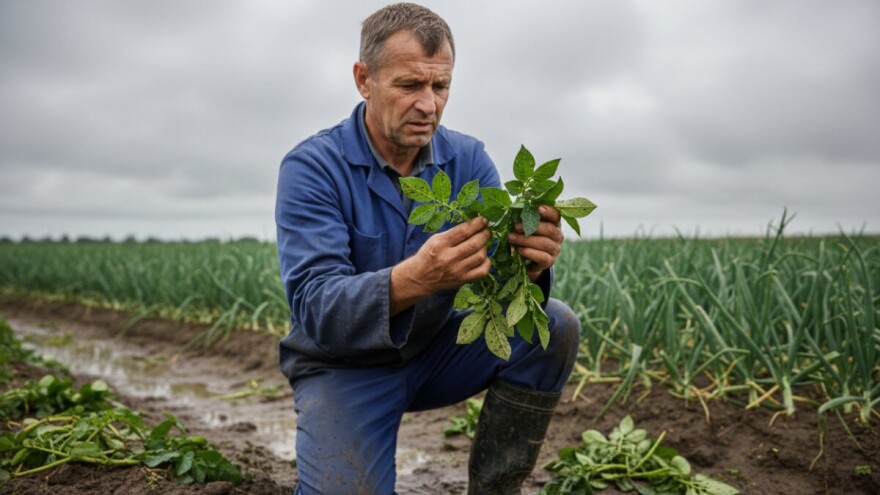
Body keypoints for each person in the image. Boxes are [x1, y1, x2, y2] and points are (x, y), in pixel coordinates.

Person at [275, 3, 581, 494]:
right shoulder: (313, 168)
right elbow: (317, 307)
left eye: (440, 87)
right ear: (363, 79)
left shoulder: (468, 158)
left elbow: (498, 280)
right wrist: (415, 278)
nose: (429, 105)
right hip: (343, 365)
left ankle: (496, 489)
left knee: (555, 325)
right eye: (409, 85)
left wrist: (530, 260)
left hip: (437, 352)